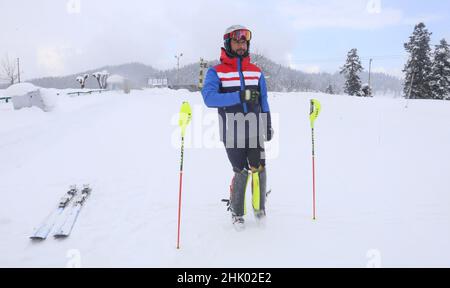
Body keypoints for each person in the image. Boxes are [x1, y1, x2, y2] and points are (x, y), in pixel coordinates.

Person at [201, 25, 273, 230]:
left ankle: (259, 209)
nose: (241, 45)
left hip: (254, 128)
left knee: (259, 168)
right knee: (241, 171)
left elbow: (264, 99)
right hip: (231, 130)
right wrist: (239, 96)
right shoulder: (216, 72)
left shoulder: (256, 71)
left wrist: (267, 122)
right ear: (228, 43)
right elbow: (209, 98)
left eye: (244, 42)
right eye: (237, 41)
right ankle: (237, 212)